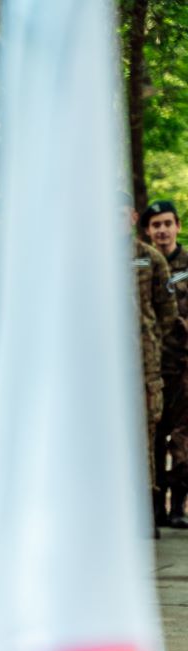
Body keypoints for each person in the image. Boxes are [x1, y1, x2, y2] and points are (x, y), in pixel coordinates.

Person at [128, 196, 176, 536]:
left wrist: (148, 338)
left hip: (144, 365)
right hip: (102, 367)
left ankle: (144, 509)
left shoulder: (150, 258)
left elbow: (167, 310)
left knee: (145, 434)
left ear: (132, 218)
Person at [142, 199, 188, 527]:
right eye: (156, 225)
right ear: (147, 230)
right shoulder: (141, 263)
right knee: (154, 435)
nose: (162, 230)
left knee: (183, 437)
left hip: (184, 363)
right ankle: (156, 505)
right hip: (154, 364)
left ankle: (178, 507)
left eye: (167, 223)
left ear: (177, 227)